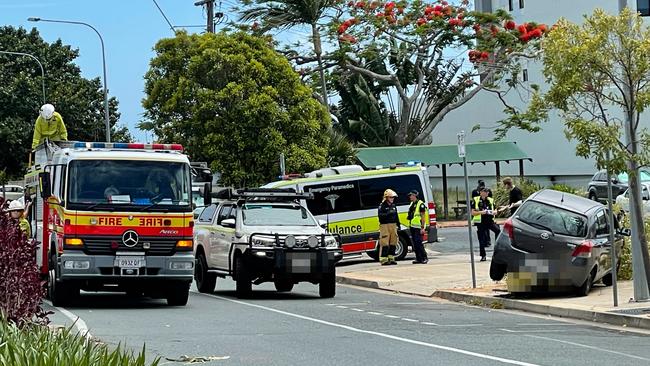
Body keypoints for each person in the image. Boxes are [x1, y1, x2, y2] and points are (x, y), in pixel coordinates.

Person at [471, 187, 500, 261]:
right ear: (480, 193)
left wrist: (494, 212)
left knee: (498, 231)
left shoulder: (490, 200)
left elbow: (496, 210)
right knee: (482, 239)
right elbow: (473, 212)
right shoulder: (476, 200)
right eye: (484, 192)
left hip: (490, 221)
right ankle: (483, 255)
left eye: (487, 192)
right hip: (481, 222)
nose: (486, 193)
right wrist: (481, 212)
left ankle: (497, 250)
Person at [378, 189, 399, 266]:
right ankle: (384, 259)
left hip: (393, 225)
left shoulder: (393, 206)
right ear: (386, 197)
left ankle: (391, 258)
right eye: (391, 197)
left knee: (393, 242)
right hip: (385, 225)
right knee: (385, 242)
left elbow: (396, 216)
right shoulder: (382, 206)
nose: (392, 199)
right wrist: (388, 213)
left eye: (393, 197)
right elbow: (380, 216)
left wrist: (398, 224)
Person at [407, 190, 428, 264]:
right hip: (412, 226)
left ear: (415, 196)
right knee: (415, 243)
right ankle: (418, 258)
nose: (410, 197)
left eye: (411, 195)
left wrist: (422, 228)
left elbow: (423, 216)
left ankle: (424, 257)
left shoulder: (420, 204)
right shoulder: (412, 204)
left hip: (418, 227)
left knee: (419, 242)